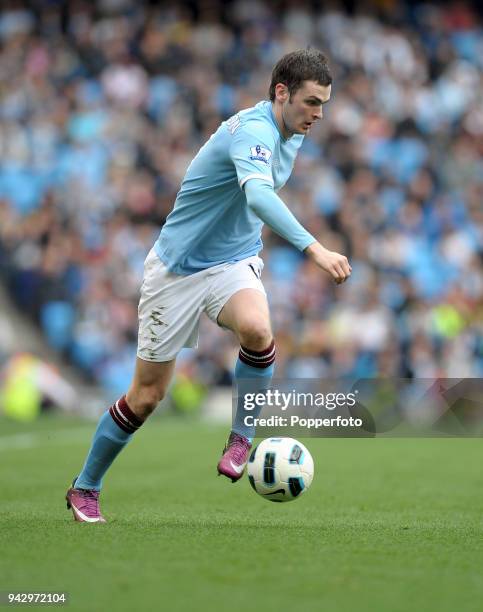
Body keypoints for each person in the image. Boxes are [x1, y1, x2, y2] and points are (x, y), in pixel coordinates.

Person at [66, 48, 351, 523]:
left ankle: (241, 438)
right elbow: (258, 194)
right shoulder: (254, 131)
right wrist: (314, 249)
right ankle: (85, 487)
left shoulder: (293, 130)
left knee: (259, 332)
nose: (319, 115)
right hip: (176, 270)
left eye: (324, 104)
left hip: (233, 261)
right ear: (281, 93)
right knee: (147, 396)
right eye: (312, 102)